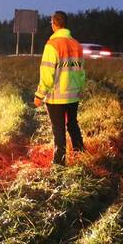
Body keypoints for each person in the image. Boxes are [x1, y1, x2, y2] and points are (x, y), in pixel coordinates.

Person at [34, 11, 86, 165]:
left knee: (58, 129)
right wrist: (79, 88)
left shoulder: (52, 45)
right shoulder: (77, 45)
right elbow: (81, 72)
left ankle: (59, 163)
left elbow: (47, 74)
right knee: (72, 124)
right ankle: (80, 153)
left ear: (54, 23)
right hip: (73, 95)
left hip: (57, 97)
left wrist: (39, 95)